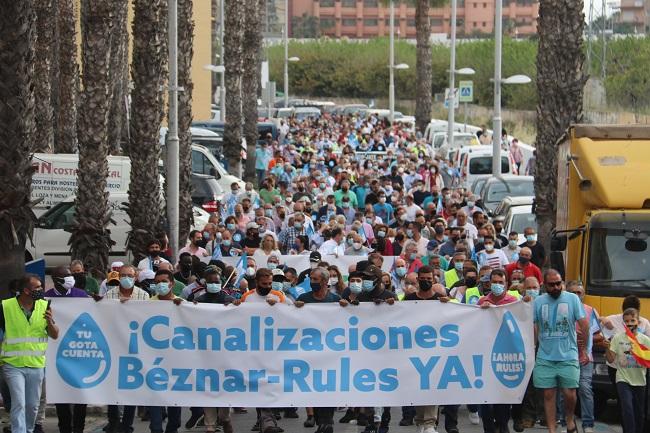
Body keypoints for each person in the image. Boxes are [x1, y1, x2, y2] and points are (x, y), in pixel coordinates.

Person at [1, 275, 59, 433]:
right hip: (12, 364)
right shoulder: (5, 306)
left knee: (33, 405)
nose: (41, 290)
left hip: (36, 364)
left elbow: (55, 335)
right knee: (18, 402)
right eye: (37, 287)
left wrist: (50, 321)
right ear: (26, 290)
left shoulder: (45, 305)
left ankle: (28, 429)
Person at [533, 269, 588, 433]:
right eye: (552, 285)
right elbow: (533, 326)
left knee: (570, 394)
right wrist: (532, 350)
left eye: (559, 283)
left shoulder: (572, 299)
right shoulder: (538, 301)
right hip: (545, 356)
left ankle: (569, 419)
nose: (556, 287)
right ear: (544, 285)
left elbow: (584, 324)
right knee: (548, 395)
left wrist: (584, 350)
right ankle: (552, 429)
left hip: (568, 355)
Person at [560, 281, 604, 433]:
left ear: (584, 294)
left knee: (585, 389)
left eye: (579, 292)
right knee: (564, 392)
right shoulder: (561, 309)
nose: (576, 295)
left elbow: (599, 334)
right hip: (565, 356)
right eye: (573, 292)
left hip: (585, 358)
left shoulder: (590, 311)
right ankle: (564, 423)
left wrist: (586, 338)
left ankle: (588, 424)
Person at [606, 308, 650, 433]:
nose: (630, 323)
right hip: (623, 378)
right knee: (627, 408)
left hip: (640, 381)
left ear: (638, 322)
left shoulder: (645, 340)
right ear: (623, 324)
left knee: (639, 413)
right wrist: (606, 348)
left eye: (632, 320)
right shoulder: (617, 338)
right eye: (626, 321)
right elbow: (610, 359)